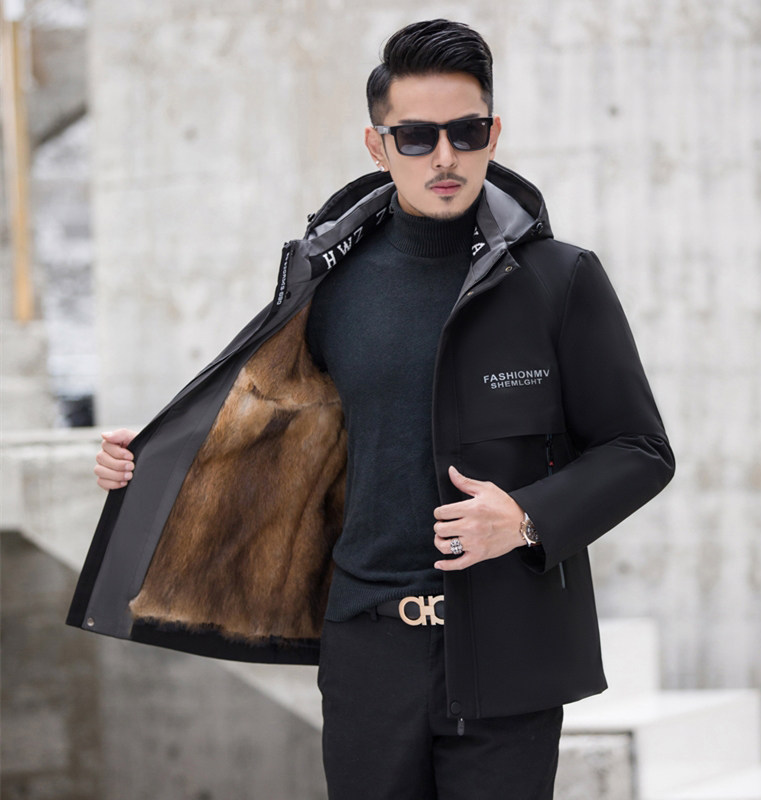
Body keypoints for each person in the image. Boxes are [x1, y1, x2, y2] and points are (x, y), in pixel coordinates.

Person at [69, 19, 674, 799]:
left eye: (466, 131)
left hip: (509, 655)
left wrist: (525, 519)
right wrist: (150, 458)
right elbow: (278, 431)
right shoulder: (329, 286)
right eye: (416, 137)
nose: (445, 157)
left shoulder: (561, 281)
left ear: (494, 134)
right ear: (378, 146)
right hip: (368, 657)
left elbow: (639, 449)